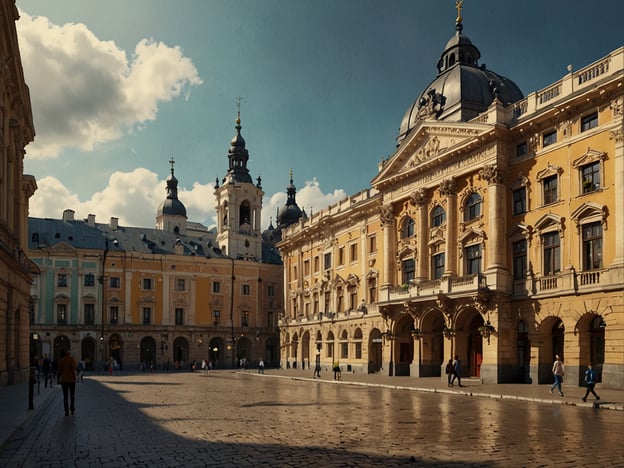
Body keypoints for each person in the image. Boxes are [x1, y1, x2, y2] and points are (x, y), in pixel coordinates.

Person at [57, 349, 78, 416]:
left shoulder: (62, 360)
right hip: (71, 380)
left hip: (64, 380)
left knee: (65, 396)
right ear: (69, 354)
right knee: (72, 395)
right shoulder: (72, 359)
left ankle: (66, 411)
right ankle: (72, 408)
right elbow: (74, 368)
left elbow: (59, 371)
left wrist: (58, 379)